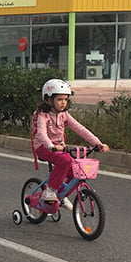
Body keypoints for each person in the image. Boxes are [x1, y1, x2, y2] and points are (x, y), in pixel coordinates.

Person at [31, 79, 109, 208]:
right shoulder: (42, 115)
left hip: (60, 147)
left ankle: (61, 196)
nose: (63, 103)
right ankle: (50, 191)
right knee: (65, 161)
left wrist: (97, 142)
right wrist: (50, 146)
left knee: (75, 172)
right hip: (43, 147)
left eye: (65, 99)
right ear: (49, 100)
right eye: (59, 99)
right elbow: (41, 133)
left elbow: (79, 128)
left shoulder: (64, 114)